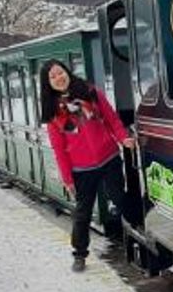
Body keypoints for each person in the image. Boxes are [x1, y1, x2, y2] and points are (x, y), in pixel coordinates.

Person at [40, 59, 135, 272]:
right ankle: (79, 254)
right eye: (52, 77)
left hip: (108, 158)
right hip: (81, 169)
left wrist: (123, 138)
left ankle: (139, 229)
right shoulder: (53, 112)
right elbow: (59, 149)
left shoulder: (90, 92)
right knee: (82, 214)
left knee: (120, 198)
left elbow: (111, 119)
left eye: (60, 72)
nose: (58, 78)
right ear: (48, 83)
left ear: (67, 71)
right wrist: (67, 179)